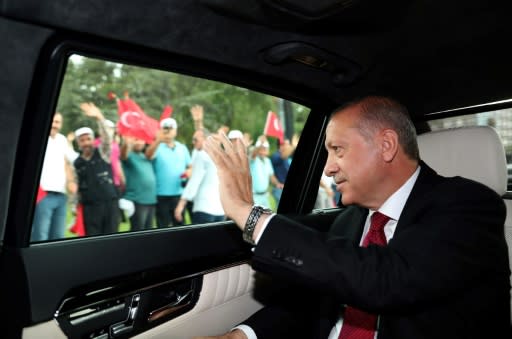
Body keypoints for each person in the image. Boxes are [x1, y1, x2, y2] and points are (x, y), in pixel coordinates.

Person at [199, 96, 511, 339]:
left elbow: (386, 280)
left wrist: (247, 212)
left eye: (338, 149)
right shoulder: (350, 220)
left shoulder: (469, 208)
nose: (328, 168)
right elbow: (313, 303)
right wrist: (241, 334)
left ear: (386, 145)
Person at [73, 103, 119, 236]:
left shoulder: (103, 153)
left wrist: (99, 118)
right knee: (92, 240)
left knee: (111, 239)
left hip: (109, 204)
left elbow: (107, 138)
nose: (86, 142)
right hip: (90, 207)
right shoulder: (77, 163)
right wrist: (74, 206)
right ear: (78, 143)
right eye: (82, 140)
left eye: (88, 139)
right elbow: (76, 185)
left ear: (93, 140)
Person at [31, 112, 78, 241]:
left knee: (58, 236)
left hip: (61, 195)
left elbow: (68, 162)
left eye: (57, 122)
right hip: (43, 194)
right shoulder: (38, 138)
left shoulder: (62, 140)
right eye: (52, 121)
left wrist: (71, 181)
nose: (54, 125)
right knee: (40, 235)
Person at [146, 117, 191, 227]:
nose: (168, 132)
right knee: (163, 227)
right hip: (161, 195)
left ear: (175, 131)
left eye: (170, 129)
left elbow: (190, 166)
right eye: (165, 129)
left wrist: (189, 172)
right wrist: (158, 140)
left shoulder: (182, 147)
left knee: (179, 225)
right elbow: (148, 155)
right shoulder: (157, 146)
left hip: (179, 194)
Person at [174, 129, 224, 224]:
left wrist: (181, 204)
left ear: (205, 139)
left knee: (198, 239)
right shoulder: (220, 156)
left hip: (204, 207)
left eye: (195, 139)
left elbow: (194, 182)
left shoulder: (202, 155)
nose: (193, 142)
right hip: (220, 210)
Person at [120, 136, 156, 231]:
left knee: (149, 230)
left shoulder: (145, 156)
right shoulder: (129, 156)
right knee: (138, 230)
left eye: (141, 140)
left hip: (150, 199)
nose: (139, 142)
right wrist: (126, 143)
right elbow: (123, 154)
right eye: (136, 140)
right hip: (137, 200)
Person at [250, 135, 283, 209]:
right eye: (263, 148)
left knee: (269, 218)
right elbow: (253, 153)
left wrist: (277, 184)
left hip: (265, 195)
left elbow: (271, 176)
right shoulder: (253, 159)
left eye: (265, 148)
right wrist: (260, 143)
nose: (264, 149)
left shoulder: (267, 161)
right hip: (255, 197)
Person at [270, 138, 294, 205]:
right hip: (279, 189)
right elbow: (283, 156)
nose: (289, 146)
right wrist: (294, 146)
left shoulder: (287, 158)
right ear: (281, 145)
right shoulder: (276, 156)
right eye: (287, 144)